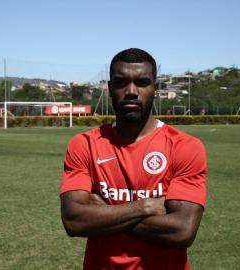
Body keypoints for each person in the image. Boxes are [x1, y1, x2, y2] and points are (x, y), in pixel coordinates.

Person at [60, 48, 207, 270]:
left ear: (155, 89)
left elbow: (182, 230)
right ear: (110, 88)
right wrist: (145, 207)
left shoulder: (185, 146)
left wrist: (106, 211)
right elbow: (74, 220)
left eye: (142, 82)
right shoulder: (84, 145)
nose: (131, 91)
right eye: (121, 82)